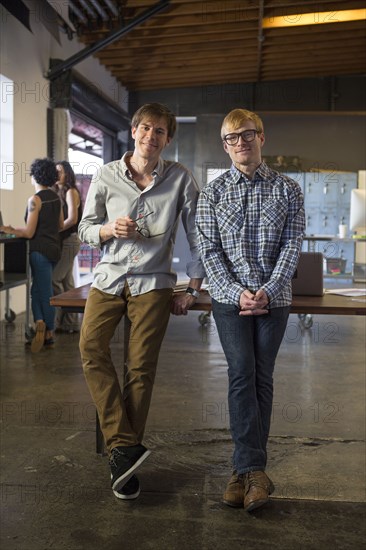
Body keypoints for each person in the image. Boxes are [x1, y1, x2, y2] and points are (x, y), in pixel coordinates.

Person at [78, 103, 205, 500]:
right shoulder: (105, 175)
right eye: (146, 128)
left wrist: (194, 286)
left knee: (140, 368)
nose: (152, 136)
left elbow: (197, 233)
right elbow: (83, 228)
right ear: (134, 131)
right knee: (90, 348)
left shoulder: (181, 179)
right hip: (109, 277)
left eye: (161, 131)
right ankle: (123, 446)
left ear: (168, 139)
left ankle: (122, 460)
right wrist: (106, 229)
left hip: (154, 282)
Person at [195, 108, 305, 512]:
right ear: (224, 146)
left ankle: (245, 473)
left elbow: (292, 245)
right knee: (242, 373)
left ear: (262, 137)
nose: (240, 142)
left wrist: (269, 289)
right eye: (232, 137)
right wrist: (237, 291)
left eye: (247, 134)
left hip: (273, 301)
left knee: (262, 376)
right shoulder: (212, 193)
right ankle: (252, 471)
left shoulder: (288, 189)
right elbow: (209, 252)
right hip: (229, 301)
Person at [0, 158, 63, 352]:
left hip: (39, 251)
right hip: (54, 250)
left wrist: (8, 229)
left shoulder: (34, 199)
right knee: (37, 289)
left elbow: (29, 232)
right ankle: (39, 323)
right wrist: (12, 228)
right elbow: (60, 225)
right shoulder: (56, 197)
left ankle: (48, 331)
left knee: (43, 292)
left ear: (34, 176)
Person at [52, 161, 82, 333]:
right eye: (55, 172)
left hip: (70, 240)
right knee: (67, 282)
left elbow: (72, 219)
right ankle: (70, 324)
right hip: (66, 240)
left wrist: (55, 230)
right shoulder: (59, 192)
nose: (57, 175)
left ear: (67, 174)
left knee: (54, 279)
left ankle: (61, 319)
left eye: (60, 171)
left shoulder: (71, 191)